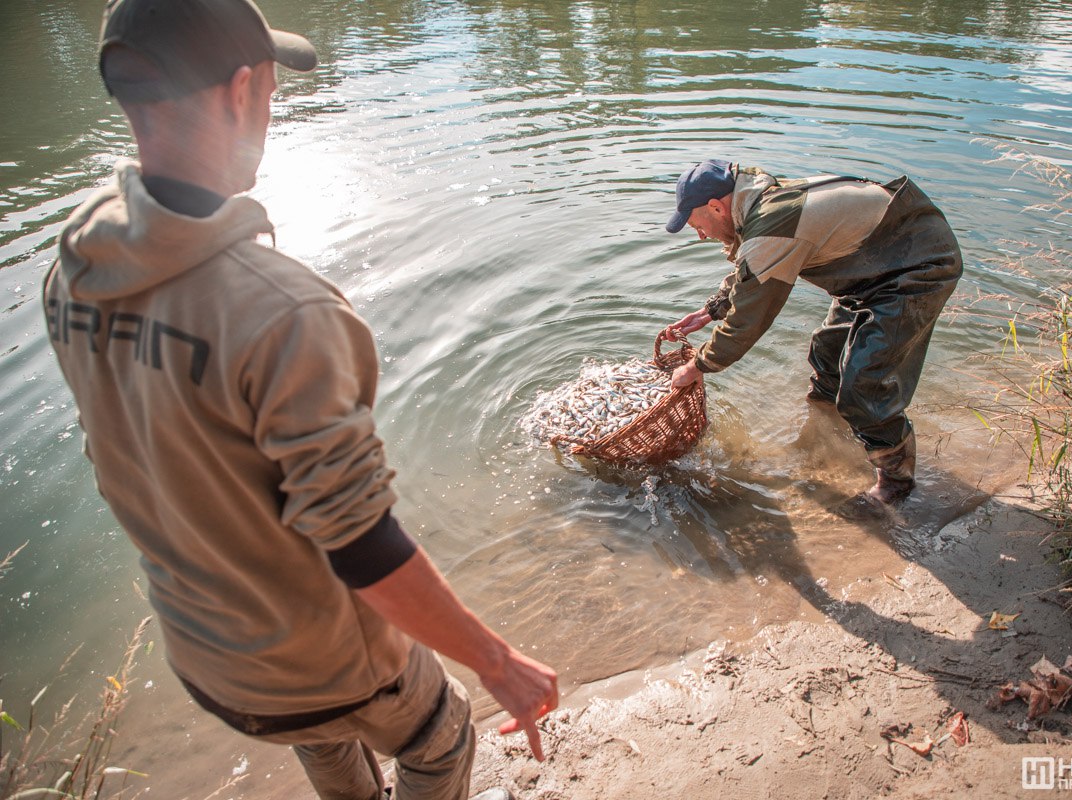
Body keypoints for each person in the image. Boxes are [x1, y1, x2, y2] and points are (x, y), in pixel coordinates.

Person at [42, 1, 556, 798]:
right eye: (272, 92)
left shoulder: (74, 273)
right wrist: (497, 661)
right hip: (321, 662)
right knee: (441, 736)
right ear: (241, 90)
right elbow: (358, 542)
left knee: (321, 735)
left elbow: (117, 453)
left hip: (206, 660)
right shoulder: (284, 311)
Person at [662, 159, 962, 508]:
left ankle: (897, 483)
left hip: (916, 266)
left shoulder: (773, 222)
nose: (701, 235)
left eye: (698, 226)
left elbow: (749, 320)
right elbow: (754, 268)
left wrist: (698, 365)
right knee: (827, 351)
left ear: (716, 207)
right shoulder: (761, 202)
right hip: (870, 271)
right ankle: (827, 434)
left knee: (865, 383)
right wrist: (711, 310)